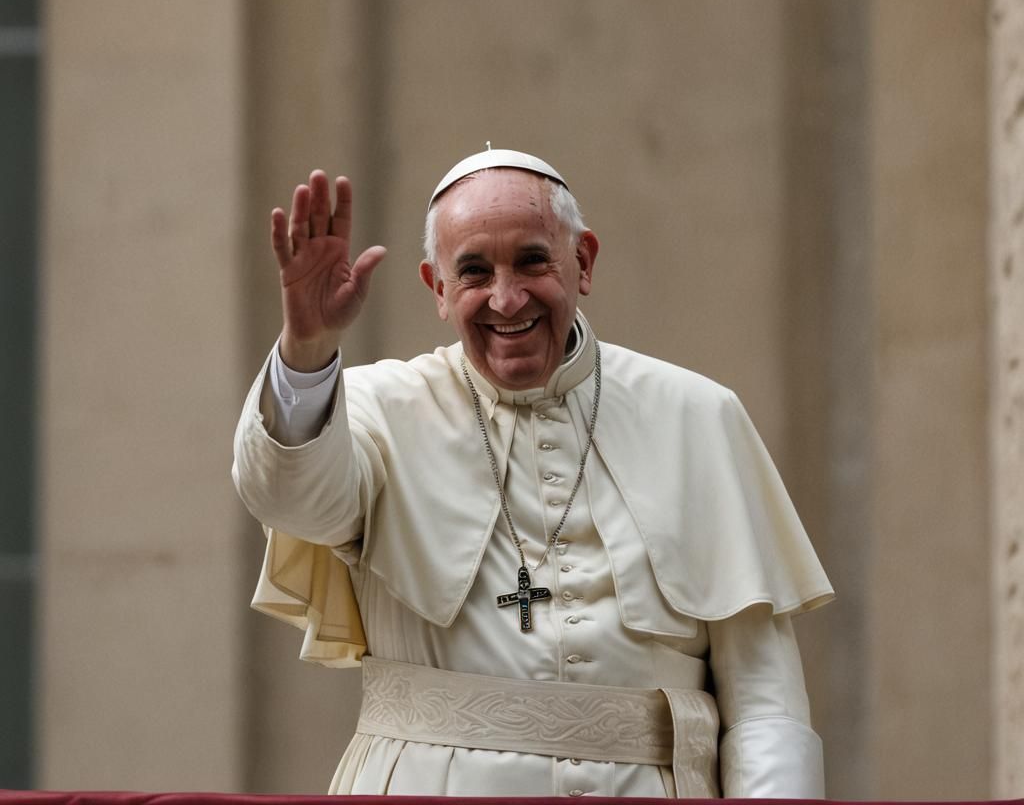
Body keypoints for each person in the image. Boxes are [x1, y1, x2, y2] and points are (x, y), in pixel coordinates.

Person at [232, 148, 833, 799]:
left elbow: (765, 694)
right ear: (438, 288)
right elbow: (288, 498)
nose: (505, 297)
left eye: (532, 260)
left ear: (583, 262)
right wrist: (307, 349)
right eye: (473, 271)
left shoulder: (698, 415)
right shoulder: (377, 408)